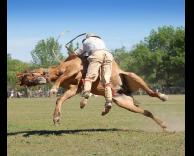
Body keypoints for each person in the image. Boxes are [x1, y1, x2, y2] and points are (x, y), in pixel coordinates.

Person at [74, 33, 113, 115]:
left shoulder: (86, 41)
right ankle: (109, 101)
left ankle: (86, 93)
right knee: (106, 80)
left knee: (89, 77)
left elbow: (79, 52)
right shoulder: (101, 41)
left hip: (97, 54)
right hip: (109, 55)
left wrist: (72, 53)